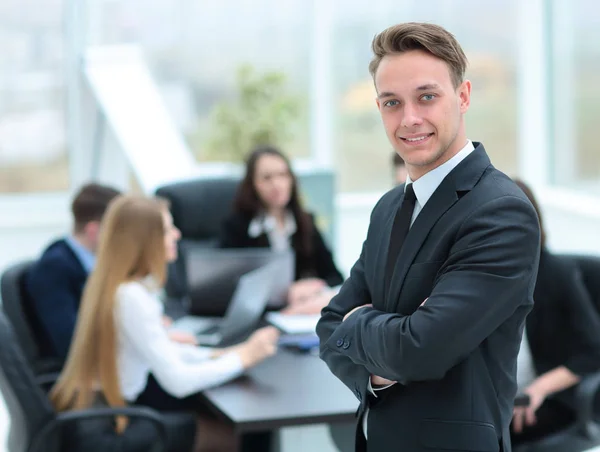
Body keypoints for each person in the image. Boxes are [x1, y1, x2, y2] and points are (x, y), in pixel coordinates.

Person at [316, 22, 541, 451]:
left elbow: (419, 350)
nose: (409, 119)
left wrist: (359, 323)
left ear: (463, 96)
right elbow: (329, 328)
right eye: (391, 103)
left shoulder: (500, 211)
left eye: (426, 97)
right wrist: (387, 347)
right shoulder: (387, 209)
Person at [50, 195, 280, 452]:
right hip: (109, 428)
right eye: (168, 229)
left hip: (95, 413)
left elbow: (160, 347)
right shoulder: (132, 297)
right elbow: (178, 382)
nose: (177, 235)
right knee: (242, 436)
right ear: (146, 240)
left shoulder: (114, 285)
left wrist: (219, 354)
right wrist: (244, 358)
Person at [510, 179, 600, 447]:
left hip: (550, 396)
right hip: (495, 396)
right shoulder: (478, 278)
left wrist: (537, 389)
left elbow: (593, 350)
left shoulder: (555, 274)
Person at [219, 145, 344, 315]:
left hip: (299, 315)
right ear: (253, 184)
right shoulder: (238, 227)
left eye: (282, 175)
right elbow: (227, 287)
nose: (276, 184)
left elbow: (335, 277)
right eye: (267, 177)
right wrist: (285, 293)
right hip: (258, 316)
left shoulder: (305, 222)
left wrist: (312, 286)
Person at [26, 182, 121, 360]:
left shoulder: (91, 262)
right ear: (94, 231)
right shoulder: (54, 269)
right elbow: (70, 343)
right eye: (119, 230)